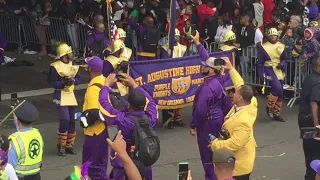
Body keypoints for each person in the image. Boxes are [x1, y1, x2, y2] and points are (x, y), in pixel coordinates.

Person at [189, 31, 232, 180]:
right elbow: (207, 59)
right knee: (217, 151)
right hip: (218, 119)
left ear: (211, 70)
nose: (203, 68)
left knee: (207, 155)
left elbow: (201, 109)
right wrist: (197, 42)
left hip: (207, 123)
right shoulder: (220, 77)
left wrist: (193, 124)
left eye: (205, 67)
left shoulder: (207, 87)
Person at [99, 73, 158, 180]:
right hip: (145, 159)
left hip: (123, 163)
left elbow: (103, 104)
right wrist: (134, 85)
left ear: (129, 105)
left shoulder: (122, 120)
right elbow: (151, 101)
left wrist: (106, 85)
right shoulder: (151, 118)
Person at [210, 57, 257, 180]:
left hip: (239, 167)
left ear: (240, 97)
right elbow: (240, 83)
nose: (232, 93)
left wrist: (216, 144)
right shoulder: (251, 102)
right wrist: (231, 68)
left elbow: (235, 144)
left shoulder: (244, 121)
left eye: (235, 93)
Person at [47, 43, 81, 156]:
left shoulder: (74, 65)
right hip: (60, 94)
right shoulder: (55, 66)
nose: (72, 54)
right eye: (70, 52)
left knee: (72, 120)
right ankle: (61, 144)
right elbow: (52, 81)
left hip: (71, 94)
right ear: (65, 54)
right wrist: (62, 83)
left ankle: (69, 145)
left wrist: (74, 81)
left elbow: (79, 78)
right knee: (65, 119)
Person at [81, 56, 109, 180]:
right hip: (103, 132)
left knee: (90, 169)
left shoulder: (93, 89)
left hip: (93, 133)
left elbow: (94, 113)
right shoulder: (105, 83)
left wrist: (83, 121)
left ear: (90, 69)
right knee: (101, 166)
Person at [256, 28, 287, 122]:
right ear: (268, 36)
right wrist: (261, 74)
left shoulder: (281, 46)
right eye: (271, 35)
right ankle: (269, 106)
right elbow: (260, 63)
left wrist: (282, 65)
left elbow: (284, 59)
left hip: (279, 70)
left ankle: (276, 113)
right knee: (277, 87)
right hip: (268, 68)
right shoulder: (263, 47)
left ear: (277, 36)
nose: (273, 37)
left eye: (275, 35)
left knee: (280, 92)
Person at [160, 28, 188, 129]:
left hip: (180, 75)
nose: (176, 38)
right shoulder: (165, 48)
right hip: (169, 76)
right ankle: (168, 120)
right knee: (169, 98)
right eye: (174, 36)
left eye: (177, 36)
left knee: (179, 98)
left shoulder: (184, 47)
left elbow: (187, 60)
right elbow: (165, 61)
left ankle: (177, 118)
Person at [8, 101, 43, 180]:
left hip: (19, 177)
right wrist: (16, 116)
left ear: (19, 122)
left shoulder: (14, 141)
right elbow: (23, 129)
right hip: (37, 177)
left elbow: (9, 167)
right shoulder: (37, 135)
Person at [298, 57, 320, 180]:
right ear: (318, 67)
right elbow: (314, 103)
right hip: (312, 121)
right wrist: (316, 126)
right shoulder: (318, 81)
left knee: (309, 152)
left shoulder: (309, 78)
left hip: (304, 118)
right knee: (315, 154)